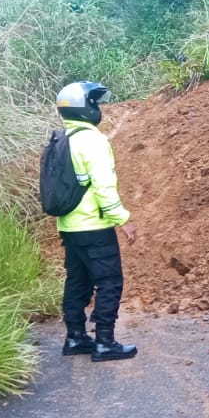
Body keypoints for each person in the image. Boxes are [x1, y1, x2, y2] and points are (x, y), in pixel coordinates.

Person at [54, 81, 138, 362]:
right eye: (95, 103)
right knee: (109, 282)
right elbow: (103, 187)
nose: (98, 108)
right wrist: (122, 219)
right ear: (86, 107)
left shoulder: (61, 139)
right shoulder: (93, 141)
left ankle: (75, 337)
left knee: (77, 281)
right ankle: (104, 342)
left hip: (69, 227)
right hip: (95, 227)